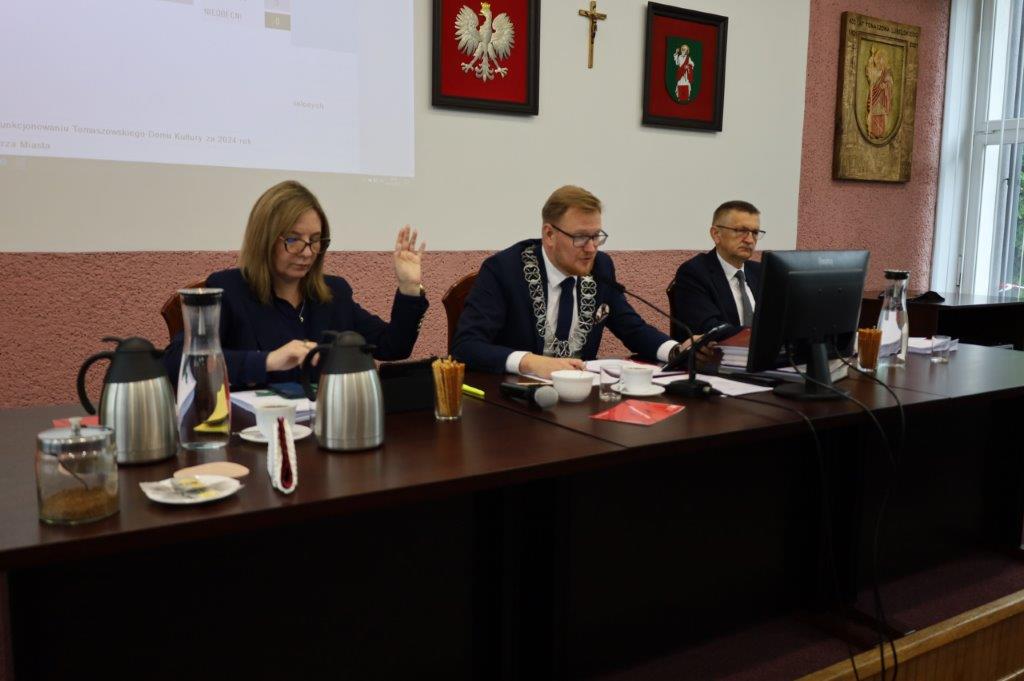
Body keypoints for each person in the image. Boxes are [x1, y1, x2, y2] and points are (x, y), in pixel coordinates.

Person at [163, 180, 428, 388]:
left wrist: (409, 288)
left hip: (324, 429)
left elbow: (393, 347)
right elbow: (178, 362)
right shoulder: (229, 290)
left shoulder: (334, 293)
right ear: (264, 239)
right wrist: (267, 361)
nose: (307, 252)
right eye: (293, 239)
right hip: (255, 432)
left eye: (315, 240)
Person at [452, 185, 704, 378]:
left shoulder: (601, 267)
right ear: (549, 234)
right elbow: (466, 346)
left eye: (596, 236)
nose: (592, 248)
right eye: (581, 237)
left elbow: (632, 328)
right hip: (516, 400)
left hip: (580, 398)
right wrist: (530, 362)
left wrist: (676, 350)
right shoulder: (504, 270)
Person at [671, 200, 764, 337]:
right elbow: (709, 328)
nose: (750, 240)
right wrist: (763, 335)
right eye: (741, 231)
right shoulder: (694, 273)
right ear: (716, 234)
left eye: (754, 232)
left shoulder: (761, 272)